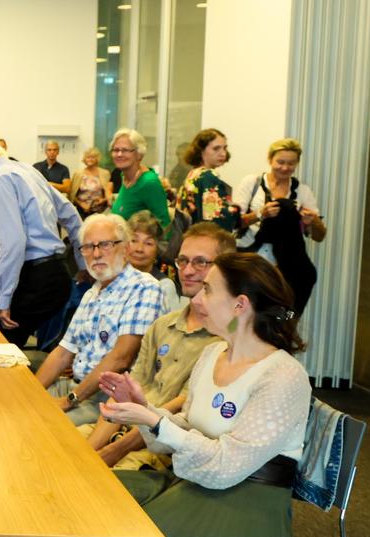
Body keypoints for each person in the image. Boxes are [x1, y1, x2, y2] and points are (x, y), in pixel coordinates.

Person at [93, 253, 311, 537]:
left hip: (245, 506)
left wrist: (156, 422)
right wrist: (144, 410)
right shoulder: (212, 354)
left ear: (240, 305)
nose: (196, 299)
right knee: (93, 498)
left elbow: (226, 467)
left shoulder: (283, 376)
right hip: (197, 485)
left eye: (208, 289)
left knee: (116, 533)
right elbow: (184, 427)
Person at [81, 223, 235, 469]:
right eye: (183, 261)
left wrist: (109, 453)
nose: (187, 270)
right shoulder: (163, 326)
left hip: (161, 449)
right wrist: (90, 450)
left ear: (225, 270)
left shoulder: (226, 340)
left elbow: (177, 414)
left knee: (90, 481)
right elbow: (126, 394)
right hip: (122, 427)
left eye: (200, 262)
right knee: (58, 448)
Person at [0, 129, 85, 346]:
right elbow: (70, 214)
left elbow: (13, 244)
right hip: (59, 273)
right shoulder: (26, 170)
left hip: (37, 276)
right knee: (11, 343)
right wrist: (82, 264)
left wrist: (3, 300)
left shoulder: (0, 180)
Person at [34, 214, 162, 424]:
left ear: (126, 247)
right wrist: (32, 393)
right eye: (88, 247)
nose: (96, 254)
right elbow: (62, 353)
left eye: (105, 244)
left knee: (41, 425)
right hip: (75, 387)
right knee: (14, 406)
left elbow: (122, 358)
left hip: (105, 399)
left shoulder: (143, 287)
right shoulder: (92, 293)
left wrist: (69, 401)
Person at [233, 138, 326, 316]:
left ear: (297, 164)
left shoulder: (302, 191)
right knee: (246, 313)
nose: (284, 168)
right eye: (280, 162)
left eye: (291, 164)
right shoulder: (252, 183)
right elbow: (235, 222)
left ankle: (283, 330)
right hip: (251, 261)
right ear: (270, 160)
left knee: (280, 315)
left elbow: (319, 236)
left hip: (287, 268)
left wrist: (313, 221)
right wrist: (261, 214)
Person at [176, 128, 239, 231]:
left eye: (224, 148)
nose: (223, 153)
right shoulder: (208, 176)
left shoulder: (193, 174)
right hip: (205, 239)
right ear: (201, 150)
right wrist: (235, 209)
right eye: (216, 149)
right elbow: (214, 216)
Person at [108, 128, 170, 229]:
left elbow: (164, 225)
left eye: (125, 150)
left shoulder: (149, 183)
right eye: (116, 150)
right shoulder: (124, 177)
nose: (119, 154)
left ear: (139, 154)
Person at [124, 211, 180, 314]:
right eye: (134, 240)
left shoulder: (163, 286)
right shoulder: (114, 280)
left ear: (158, 249)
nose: (139, 249)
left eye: (148, 243)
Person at [68, 147, 112, 219]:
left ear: (97, 159)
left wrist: (103, 200)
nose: (90, 159)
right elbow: (72, 194)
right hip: (82, 211)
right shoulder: (78, 174)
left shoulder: (105, 173)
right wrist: (82, 204)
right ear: (84, 159)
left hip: (100, 212)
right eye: (88, 157)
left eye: (93, 157)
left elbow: (109, 193)